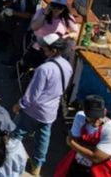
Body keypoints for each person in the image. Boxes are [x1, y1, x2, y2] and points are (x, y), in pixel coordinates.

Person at [11, 33, 73, 175]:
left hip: (34, 110)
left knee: (17, 133)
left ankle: (9, 158)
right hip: (50, 112)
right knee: (42, 139)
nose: (42, 49)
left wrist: (19, 105)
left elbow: (32, 94)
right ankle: (36, 166)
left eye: (45, 47)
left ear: (53, 50)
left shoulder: (44, 69)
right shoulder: (67, 66)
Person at [55, 95, 111, 176]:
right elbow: (76, 141)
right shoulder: (80, 117)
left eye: (98, 117)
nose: (96, 122)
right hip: (77, 165)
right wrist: (95, 149)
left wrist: (72, 144)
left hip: (98, 171)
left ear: (104, 112)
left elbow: (95, 158)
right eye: (92, 118)